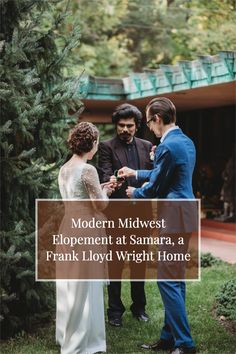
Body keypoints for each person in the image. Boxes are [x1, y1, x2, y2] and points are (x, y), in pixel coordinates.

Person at [118, 97, 197, 354]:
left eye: (149, 122)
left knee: (167, 281)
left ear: (158, 119)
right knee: (177, 280)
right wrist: (136, 173)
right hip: (185, 215)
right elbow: (163, 174)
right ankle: (168, 338)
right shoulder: (185, 141)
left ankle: (185, 344)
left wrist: (134, 192)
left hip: (173, 218)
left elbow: (155, 187)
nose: (149, 127)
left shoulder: (167, 147)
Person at [56, 122, 114, 354]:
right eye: (97, 141)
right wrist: (107, 191)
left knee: (70, 282)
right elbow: (100, 204)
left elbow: (76, 197)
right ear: (91, 143)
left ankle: (65, 334)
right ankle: (81, 341)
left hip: (68, 226)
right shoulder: (88, 169)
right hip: (85, 231)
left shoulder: (65, 168)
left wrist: (99, 188)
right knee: (85, 285)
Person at [98, 103, 153, 327]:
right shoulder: (106, 147)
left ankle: (139, 307)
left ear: (137, 126)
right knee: (115, 264)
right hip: (116, 214)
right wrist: (115, 182)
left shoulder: (147, 145)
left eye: (129, 125)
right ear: (116, 126)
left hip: (142, 213)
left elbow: (153, 176)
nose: (125, 130)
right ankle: (114, 311)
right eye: (121, 125)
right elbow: (104, 173)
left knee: (139, 262)